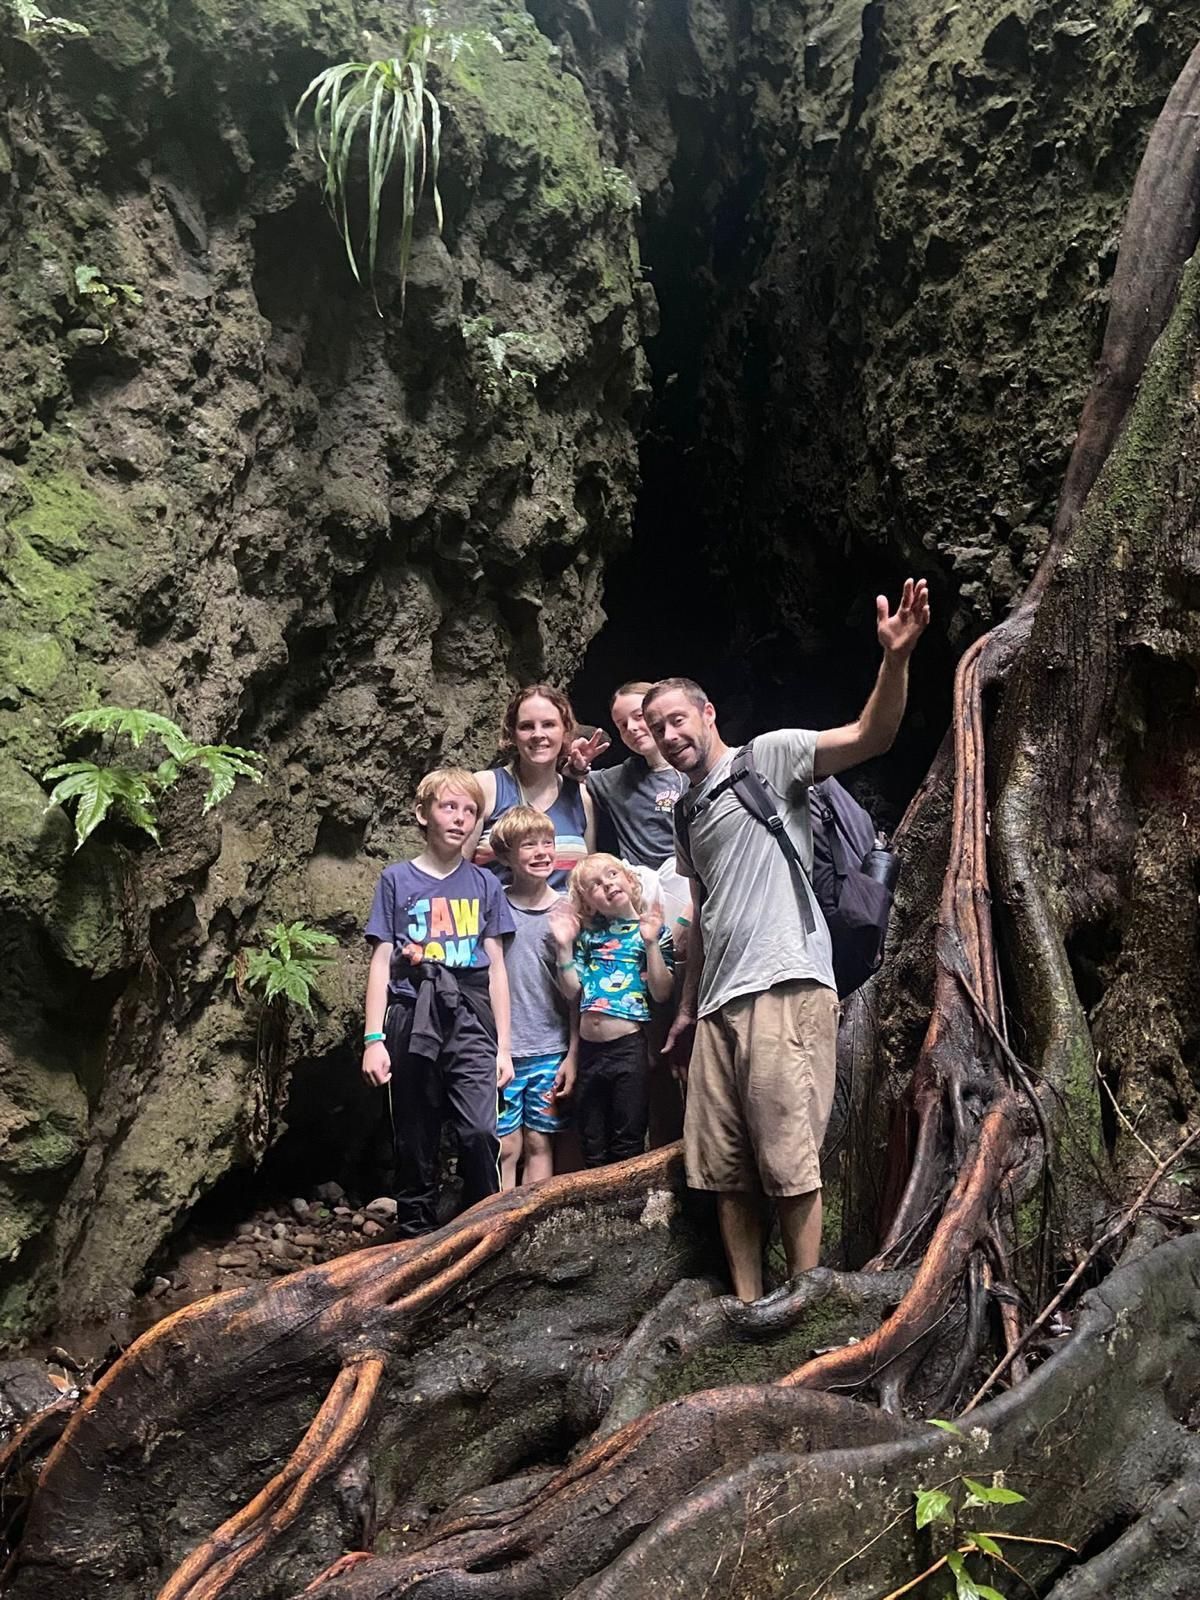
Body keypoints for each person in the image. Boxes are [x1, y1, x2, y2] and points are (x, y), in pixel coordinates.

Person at [645, 578, 931, 1301]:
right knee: (726, 1172)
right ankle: (748, 1307)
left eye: (678, 719)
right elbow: (703, 912)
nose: (670, 735)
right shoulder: (685, 814)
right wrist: (687, 1012)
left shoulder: (766, 760)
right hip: (719, 1007)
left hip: (786, 983)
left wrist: (896, 657)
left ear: (707, 713)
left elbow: (871, 737)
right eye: (657, 728)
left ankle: (804, 1301)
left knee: (790, 1163)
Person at [361, 767, 514, 1236]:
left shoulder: (485, 884)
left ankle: (482, 1229)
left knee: (480, 1131)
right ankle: (415, 1236)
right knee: (415, 1133)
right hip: (412, 1012)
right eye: (449, 807)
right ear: (423, 813)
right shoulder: (396, 879)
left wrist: (504, 1048)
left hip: (469, 1014)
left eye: (470, 811)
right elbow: (381, 961)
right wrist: (373, 1039)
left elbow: (496, 968)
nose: (461, 818)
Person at [549, 854, 674, 1166]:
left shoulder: (654, 931)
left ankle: (629, 1198)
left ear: (629, 880)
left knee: (627, 1140)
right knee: (591, 1142)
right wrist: (564, 947)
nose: (607, 884)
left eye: (612, 874)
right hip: (590, 1052)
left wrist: (651, 944)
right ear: (589, 904)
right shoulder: (589, 937)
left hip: (628, 1049)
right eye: (595, 885)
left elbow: (662, 993)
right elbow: (571, 992)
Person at [488, 805, 578, 1188]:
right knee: (506, 1146)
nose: (542, 852)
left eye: (547, 843)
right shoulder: (494, 905)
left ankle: (532, 1219)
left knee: (540, 1142)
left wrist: (573, 1053)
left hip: (550, 1048)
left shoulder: (568, 910)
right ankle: (499, 1216)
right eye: (529, 845)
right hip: (503, 1049)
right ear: (506, 855)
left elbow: (577, 994)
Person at [468, 684, 596, 890]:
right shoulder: (485, 787)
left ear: (565, 731)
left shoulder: (580, 797)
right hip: (496, 908)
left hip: (567, 909)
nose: (538, 734)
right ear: (512, 734)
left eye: (548, 724)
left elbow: (590, 879)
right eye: (527, 726)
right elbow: (454, 871)